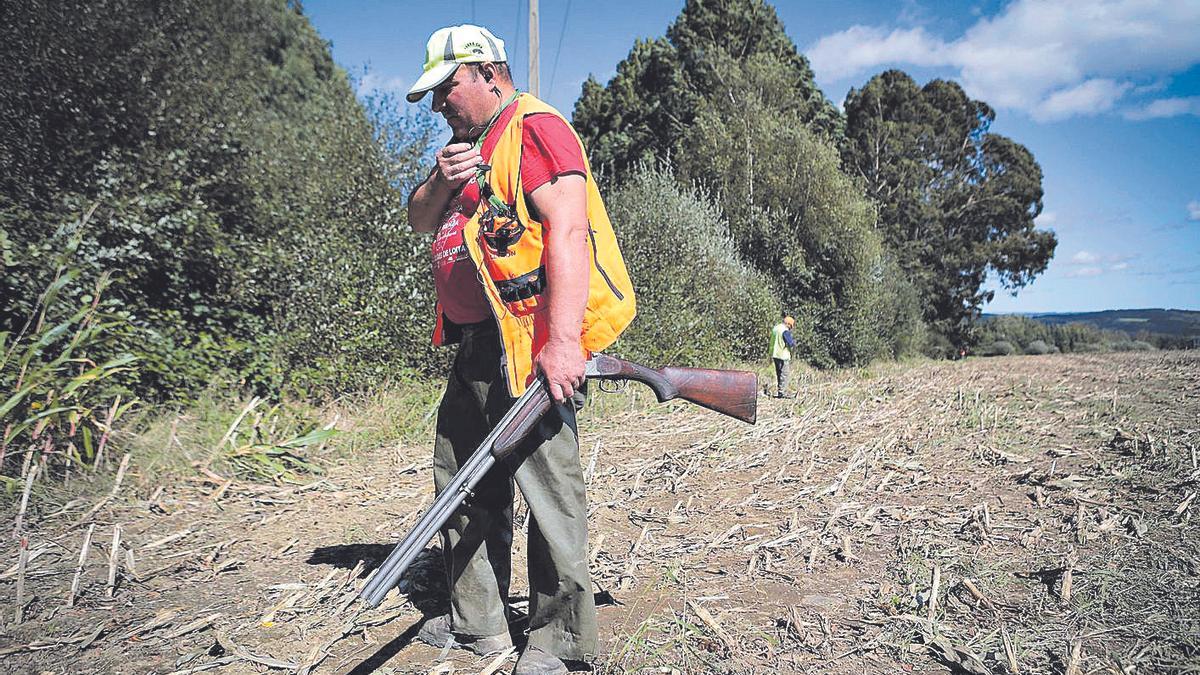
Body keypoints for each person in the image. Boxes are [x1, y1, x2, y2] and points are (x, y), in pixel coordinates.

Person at [404, 24, 636, 674]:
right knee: (462, 480)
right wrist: (441, 181)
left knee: (547, 486)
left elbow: (568, 231)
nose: (437, 106)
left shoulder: (534, 127)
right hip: (476, 343)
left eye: (445, 89)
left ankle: (560, 643)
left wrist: (562, 343)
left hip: (531, 344)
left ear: (488, 73)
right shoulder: (462, 150)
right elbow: (419, 218)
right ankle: (480, 626)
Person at [769, 316, 796, 398]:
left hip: (775, 354)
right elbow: (790, 343)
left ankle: (780, 391)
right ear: (788, 324)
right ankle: (782, 393)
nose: (790, 328)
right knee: (784, 374)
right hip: (783, 355)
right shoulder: (785, 331)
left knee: (779, 373)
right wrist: (794, 342)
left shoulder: (775, 328)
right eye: (791, 326)